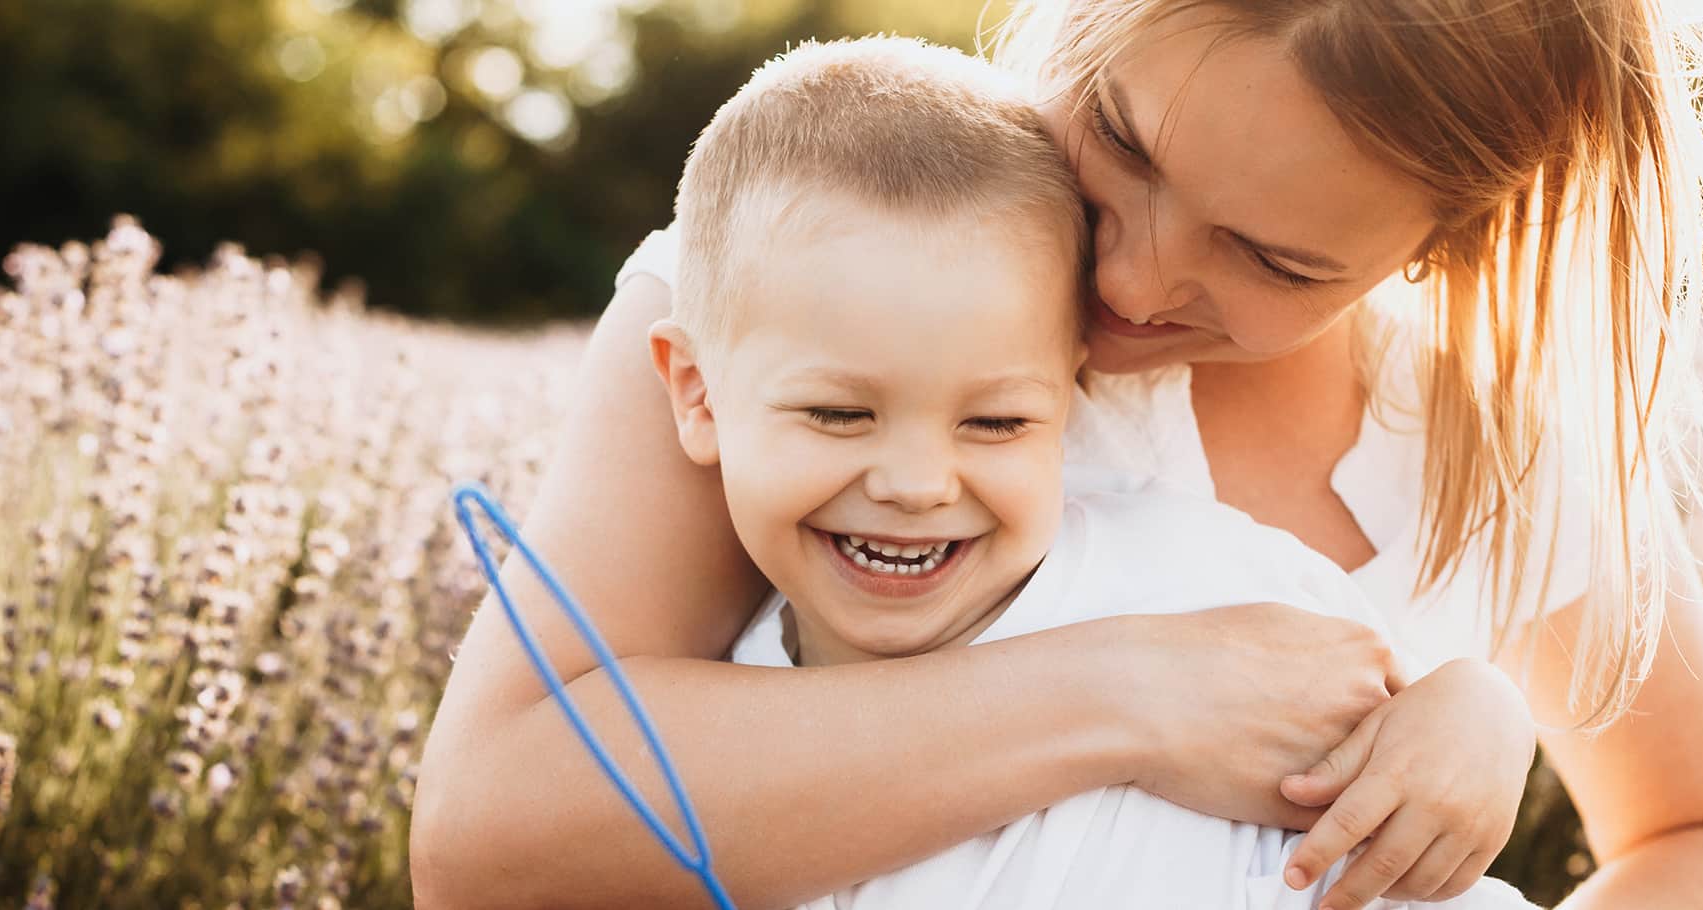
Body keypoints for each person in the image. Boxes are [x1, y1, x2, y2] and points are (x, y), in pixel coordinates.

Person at [410, 2, 1703, 909]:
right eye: (1125, 141)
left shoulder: (1477, 437)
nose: (1131, 278)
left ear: (1443, 246)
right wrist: (1119, 691)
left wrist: (1475, 707)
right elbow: (495, 835)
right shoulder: (821, 274)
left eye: (1272, 257)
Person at [648, 34, 1535, 909]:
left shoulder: (1197, 573)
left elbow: (1402, 717)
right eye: (839, 414)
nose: (916, 484)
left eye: (996, 421)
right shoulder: (720, 724)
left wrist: (1478, 711)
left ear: (1070, 390)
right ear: (698, 396)